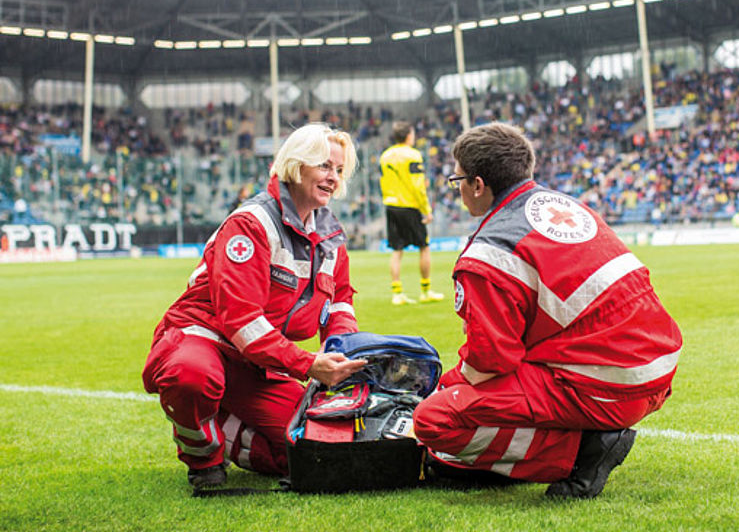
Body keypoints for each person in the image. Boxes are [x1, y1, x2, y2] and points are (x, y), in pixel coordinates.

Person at [413, 123, 682, 499]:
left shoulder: (489, 252)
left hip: (609, 384)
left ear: (477, 185)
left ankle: (582, 455)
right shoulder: (567, 205)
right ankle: (586, 437)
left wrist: (447, 385)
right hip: (658, 365)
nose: (457, 190)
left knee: (434, 418)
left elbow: (491, 360)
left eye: (457, 179)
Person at [142, 123, 368, 488]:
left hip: (258, 359)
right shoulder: (251, 223)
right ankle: (203, 457)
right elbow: (243, 322)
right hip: (204, 340)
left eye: (339, 171)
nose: (333, 178)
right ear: (297, 165)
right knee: (192, 377)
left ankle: (218, 418)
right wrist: (308, 364)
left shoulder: (330, 234)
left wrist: (342, 350)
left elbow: (339, 299)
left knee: (307, 450)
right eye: (325, 166)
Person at [379, 121, 443, 305]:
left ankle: (397, 293)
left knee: (397, 250)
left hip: (391, 205)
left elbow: (383, 182)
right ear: (409, 135)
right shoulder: (413, 155)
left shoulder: (385, 156)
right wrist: (426, 210)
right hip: (410, 205)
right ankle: (425, 290)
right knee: (424, 246)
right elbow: (418, 187)